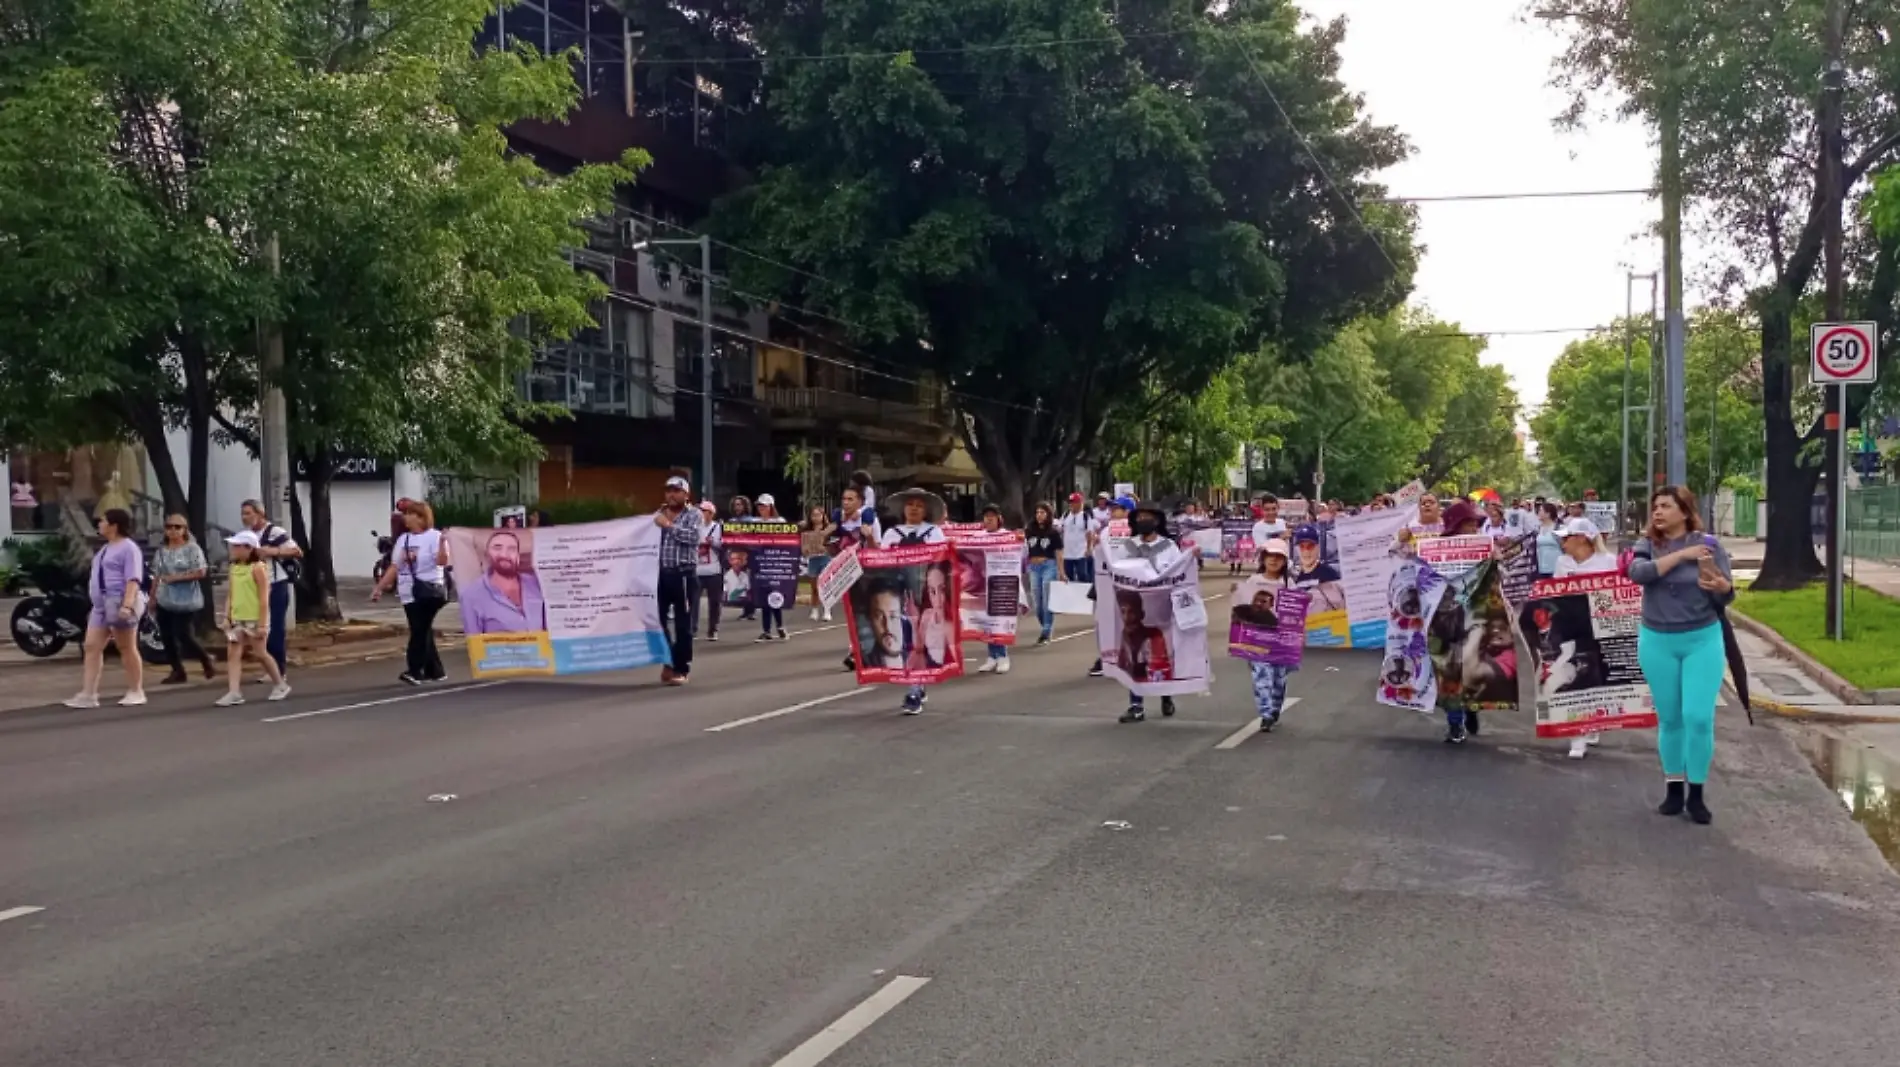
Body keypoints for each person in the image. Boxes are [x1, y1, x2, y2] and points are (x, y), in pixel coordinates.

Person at [1628, 485, 1733, 826]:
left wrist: (1722, 588)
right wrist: (1681, 556)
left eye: (1666, 506)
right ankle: (1674, 789)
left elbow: (1727, 593)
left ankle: (1697, 794)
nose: (1657, 511)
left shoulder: (1710, 546)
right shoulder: (1646, 545)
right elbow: (1638, 574)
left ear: (1685, 511)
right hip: (1657, 640)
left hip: (1701, 639)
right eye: (1655, 506)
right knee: (1670, 718)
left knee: (1698, 717)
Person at [1547, 516, 1619, 759]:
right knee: (1573, 677)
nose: (1563, 543)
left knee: (1597, 676)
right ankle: (1577, 735)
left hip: (1600, 629)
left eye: (1566, 538)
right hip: (1570, 629)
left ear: (1582, 539)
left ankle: (1593, 722)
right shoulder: (1562, 562)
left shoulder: (1609, 561)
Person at [65, 507, 148, 708]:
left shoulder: (129, 548)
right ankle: (89, 693)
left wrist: (127, 605)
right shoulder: (106, 548)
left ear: (114, 525)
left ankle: (136, 690)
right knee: (91, 646)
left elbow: (133, 579)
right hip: (101, 605)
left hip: (119, 601)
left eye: (103, 521)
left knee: (126, 647)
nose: (99, 524)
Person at [881, 487, 949, 714]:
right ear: (903, 508)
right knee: (903, 640)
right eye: (910, 504)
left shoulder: (934, 533)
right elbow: (879, 563)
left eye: (919, 506)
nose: (914, 509)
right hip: (898, 596)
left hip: (924, 598)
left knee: (919, 642)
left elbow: (942, 562)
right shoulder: (891, 534)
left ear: (926, 511)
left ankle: (915, 689)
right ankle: (917, 683)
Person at [1111, 502, 1180, 723]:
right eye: (1139, 518)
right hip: (1135, 610)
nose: (1143, 521)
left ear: (1157, 520)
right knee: (1135, 658)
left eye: (1148, 517)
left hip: (1161, 611)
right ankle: (1136, 705)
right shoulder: (1126, 546)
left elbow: (1179, 572)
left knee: (1161, 658)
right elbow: (1116, 571)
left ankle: (1165, 695)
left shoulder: (1169, 546)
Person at [370, 499, 449, 685]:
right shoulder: (404, 540)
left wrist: (443, 543)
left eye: (410, 514)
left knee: (419, 630)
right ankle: (435, 670)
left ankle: (415, 670)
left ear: (421, 517)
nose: (405, 518)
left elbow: (442, 562)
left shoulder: (435, 537)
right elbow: (395, 567)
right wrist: (379, 588)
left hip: (430, 590)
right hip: (408, 592)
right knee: (422, 629)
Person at [216, 530, 291, 705]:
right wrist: (227, 616)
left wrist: (263, 624)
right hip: (237, 617)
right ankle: (234, 691)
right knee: (233, 654)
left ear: (249, 548)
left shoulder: (258, 568)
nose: (233, 549)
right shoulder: (234, 567)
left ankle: (280, 684)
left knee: (261, 653)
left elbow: (264, 598)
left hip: (254, 618)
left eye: (237, 546)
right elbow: (231, 593)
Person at [1435, 499, 1487, 744]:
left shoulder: (1485, 548)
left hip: (1475, 619)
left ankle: (1471, 708)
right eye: (1469, 524)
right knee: (1448, 675)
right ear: (1456, 526)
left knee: (1472, 672)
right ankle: (1455, 723)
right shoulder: (1435, 549)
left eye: (1476, 524)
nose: (1474, 529)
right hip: (1444, 621)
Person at [239, 499, 302, 683]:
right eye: (243, 514)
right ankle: (271, 668)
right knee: (261, 630)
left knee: (275, 630)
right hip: (254, 587)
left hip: (276, 585)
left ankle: (279, 670)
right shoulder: (246, 535)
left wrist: (273, 551)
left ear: (260, 513)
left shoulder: (274, 532)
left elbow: (296, 551)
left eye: (248, 513)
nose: (245, 517)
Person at [150, 513, 217, 684]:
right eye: (169, 527)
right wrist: (152, 598)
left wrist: (177, 577)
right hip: (165, 598)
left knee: (183, 634)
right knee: (166, 636)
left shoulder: (192, 549)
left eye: (177, 527)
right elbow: (157, 575)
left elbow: (201, 571)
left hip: (186, 599)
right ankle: (177, 670)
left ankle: (204, 658)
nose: (173, 531)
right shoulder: (162, 551)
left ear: (184, 530)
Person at [1243, 538, 1297, 732]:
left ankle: (1275, 709)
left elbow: (1296, 612)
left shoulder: (1288, 583)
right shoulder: (1253, 581)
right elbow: (1243, 611)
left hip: (1281, 640)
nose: (1274, 561)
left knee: (1279, 679)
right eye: (1270, 556)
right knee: (1261, 677)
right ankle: (1265, 714)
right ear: (1263, 559)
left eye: (1279, 557)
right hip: (1258, 638)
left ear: (1284, 561)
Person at [654, 476, 702, 685]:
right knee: (657, 621)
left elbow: (693, 539)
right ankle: (668, 660)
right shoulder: (657, 514)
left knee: (683, 625)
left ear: (686, 494)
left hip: (683, 574)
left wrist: (668, 525)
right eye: (668, 491)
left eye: (676, 490)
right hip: (661, 575)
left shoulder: (694, 515)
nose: (671, 495)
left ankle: (681, 668)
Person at [459, 529, 546, 634]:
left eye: (512, 549)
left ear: (518, 556)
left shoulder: (538, 585)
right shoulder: (471, 596)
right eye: (497, 548)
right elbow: (473, 644)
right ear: (487, 555)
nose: (504, 554)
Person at [1086, 496, 1134, 678]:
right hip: (1104, 584)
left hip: (1126, 585)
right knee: (1102, 622)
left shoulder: (1135, 531)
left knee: (1127, 622)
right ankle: (1106, 657)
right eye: (1111, 508)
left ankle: (1127, 658)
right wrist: (1094, 543)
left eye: (1117, 508)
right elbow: (1095, 557)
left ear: (1127, 511)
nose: (1112, 511)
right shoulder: (1105, 531)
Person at [836, 485, 880, 672]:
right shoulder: (841, 522)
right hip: (849, 572)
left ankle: (865, 652)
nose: (846, 503)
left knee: (869, 613)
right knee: (854, 613)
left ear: (860, 502)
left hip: (869, 572)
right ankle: (856, 651)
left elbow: (877, 548)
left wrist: (868, 539)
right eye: (844, 499)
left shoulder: (870, 520)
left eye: (850, 499)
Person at [974, 504, 1014, 674]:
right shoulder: (977, 536)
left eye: (992, 516)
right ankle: (992, 657)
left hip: (1001, 584)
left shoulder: (1007, 536)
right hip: (982, 584)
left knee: (999, 621)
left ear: (999, 518)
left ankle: (1003, 656)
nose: (989, 519)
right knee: (987, 622)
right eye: (986, 516)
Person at [1023, 502, 1062, 645]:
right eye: (1037, 512)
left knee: (1047, 600)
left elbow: (1059, 552)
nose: (1039, 515)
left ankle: (1046, 631)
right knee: (1037, 603)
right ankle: (1045, 625)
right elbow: (1023, 548)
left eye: (1042, 512)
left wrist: (1061, 572)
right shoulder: (1029, 530)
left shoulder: (1053, 532)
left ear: (1048, 514)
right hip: (1033, 567)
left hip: (1049, 566)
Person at [752, 494, 788, 640]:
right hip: (760, 563)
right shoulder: (754, 523)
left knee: (774, 596)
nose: (761, 509)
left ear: (771, 507)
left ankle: (780, 626)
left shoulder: (780, 522)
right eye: (760, 506)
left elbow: (786, 541)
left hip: (775, 563)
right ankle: (766, 630)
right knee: (763, 597)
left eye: (764, 506)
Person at [693, 500, 723, 641]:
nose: (701, 514)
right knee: (693, 601)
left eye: (704, 511)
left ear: (711, 513)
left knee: (714, 602)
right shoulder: (694, 527)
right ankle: (693, 629)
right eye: (700, 511)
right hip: (697, 569)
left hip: (714, 570)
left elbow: (724, 547)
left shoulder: (718, 527)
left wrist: (713, 543)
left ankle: (713, 629)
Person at [802, 505, 836, 622]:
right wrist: (805, 550)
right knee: (814, 587)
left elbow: (834, 545)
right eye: (813, 515)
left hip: (825, 558)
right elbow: (803, 546)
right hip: (813, 559)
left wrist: (826, 547)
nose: (816, 518)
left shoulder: (828, 530)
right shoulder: (807, 531)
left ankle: (827, 610)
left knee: (826, 585)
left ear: (823, 516)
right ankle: (815, 610)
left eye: (818, 515)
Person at [1059, 493, 1098, 585]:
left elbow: (1089, 533)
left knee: (1083, 574)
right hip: (1068, 552)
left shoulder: (1085, 516)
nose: (1071, 505)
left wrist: (1089, 548)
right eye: (1070, 502)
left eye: (1074, 502)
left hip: (1081, 552)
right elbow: (1060, 528)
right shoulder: (1065, 515)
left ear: (1080, 503)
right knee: (1068, 575)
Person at [728, 494, 756, 621]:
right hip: (736, 553)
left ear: (745, 506)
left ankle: (751, 609)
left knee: (749, 582)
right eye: (735, 505)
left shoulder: (751, 521)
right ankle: (745, 609)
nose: (737, 507)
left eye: (739, 504)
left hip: (748, 553)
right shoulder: (731, 521)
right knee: (740, 582)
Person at [1534, 502, 1563, 579]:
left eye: (1540, 511)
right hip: (1541, 568)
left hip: (1557, 569)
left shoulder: (1559, 528)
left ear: (1548, 514)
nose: (1538, 513)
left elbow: (1565, 547)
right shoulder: (1538, 529)